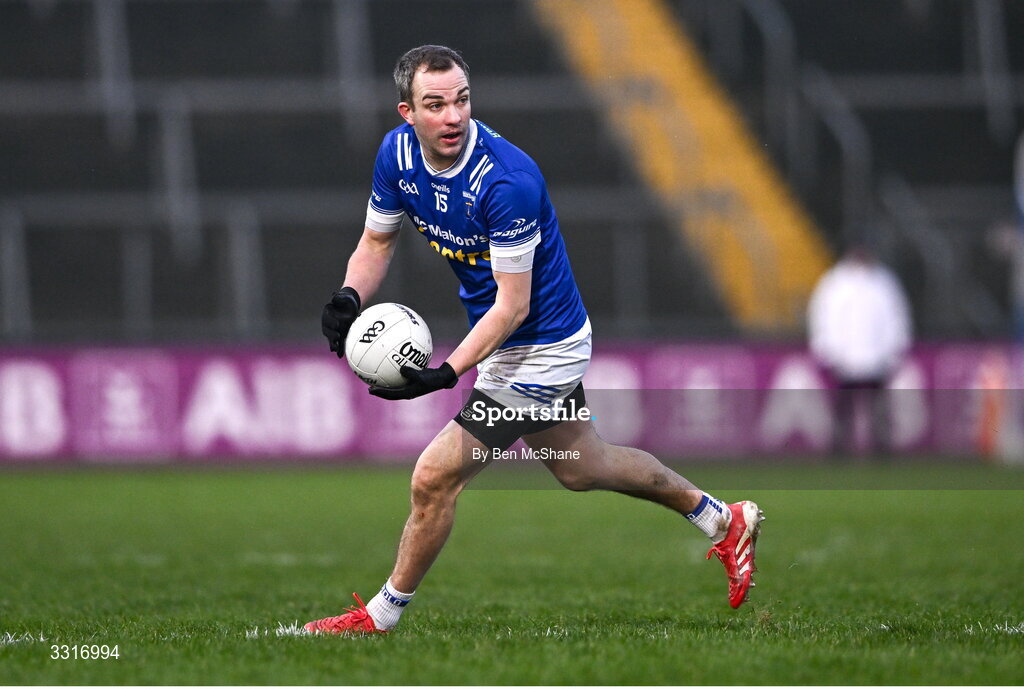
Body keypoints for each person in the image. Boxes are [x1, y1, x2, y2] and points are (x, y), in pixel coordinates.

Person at [307, 45, 764, 634]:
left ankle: (379, 617)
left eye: (462, 101)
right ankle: (723, 520)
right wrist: (349, 297)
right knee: (582, 465)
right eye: (435, 104)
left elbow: (513, 304)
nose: (453, 116)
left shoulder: (506, 180)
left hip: (544, 344)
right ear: (407, 113)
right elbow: (376, 243)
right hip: (503, 340)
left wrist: (447, 373)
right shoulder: (396, 157)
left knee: (433, 476)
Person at [807, 245, 912, 456]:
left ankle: (881, 447)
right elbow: (823, 317)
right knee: (844, 405)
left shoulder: (884, 282)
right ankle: (838, 447)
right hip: (845, 356)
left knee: (878, 406)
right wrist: (828, 351)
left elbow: (896, 318)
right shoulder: (835, 282)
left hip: (877, 355)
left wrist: (893, 351)